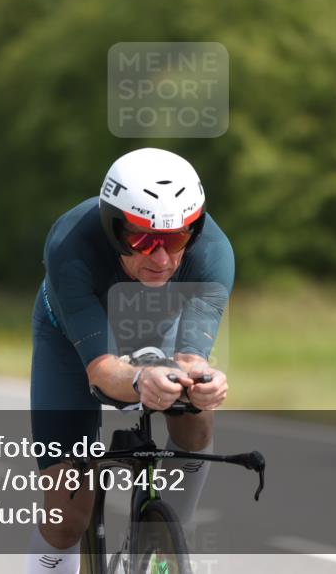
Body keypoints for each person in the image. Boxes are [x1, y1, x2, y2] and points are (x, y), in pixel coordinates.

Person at [26, 148, 234, 574]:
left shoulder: (213, 253)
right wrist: (141, 382)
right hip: (72, 340)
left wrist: (205, 381)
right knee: (67, 516)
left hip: (159, 328)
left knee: (196, 409)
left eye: (176, 239)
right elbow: (102, 371)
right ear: (112, 227)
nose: (161, 259)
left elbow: (192, 358)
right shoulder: (71, 246)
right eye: (143, 240)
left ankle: (172, 542)